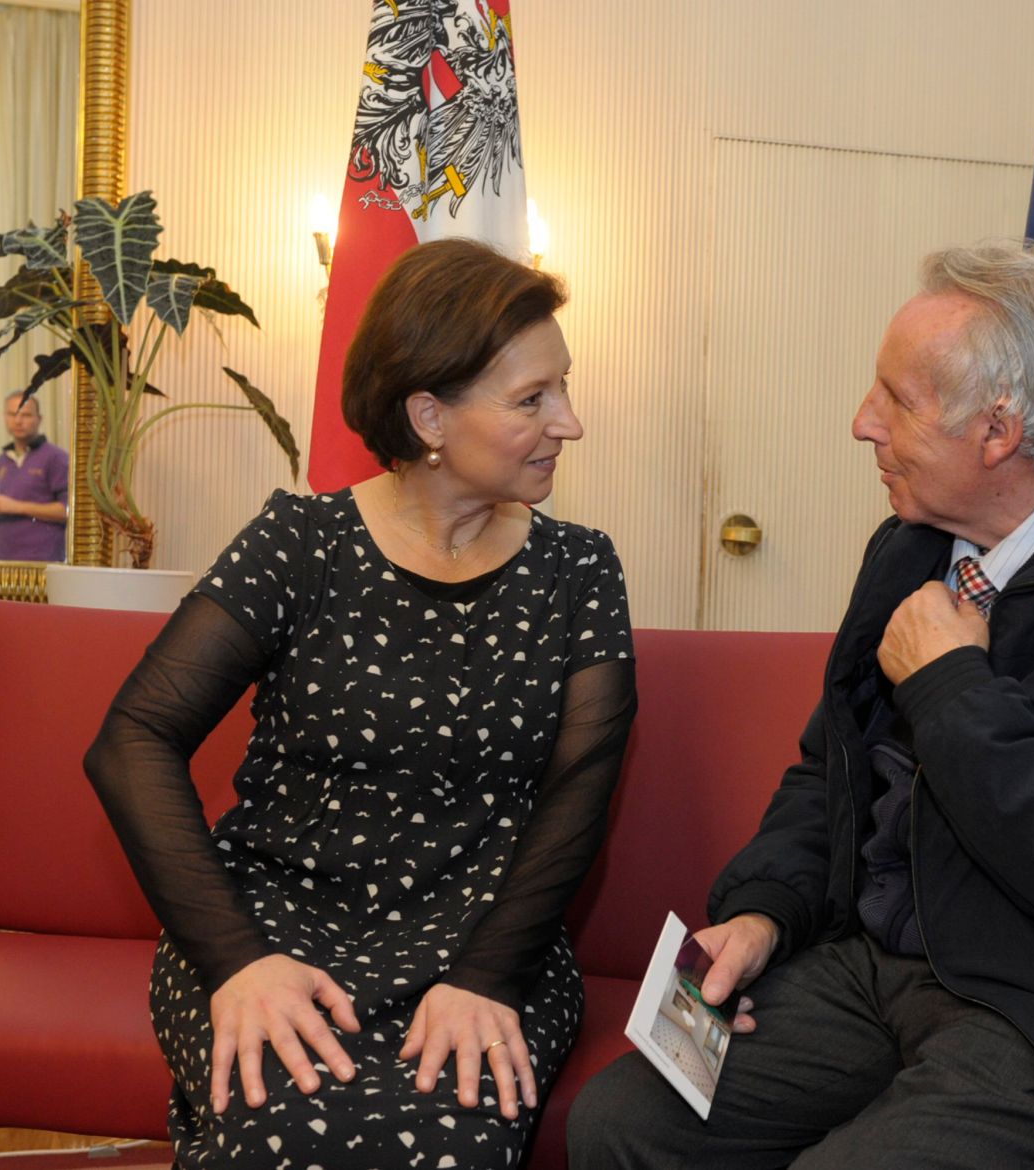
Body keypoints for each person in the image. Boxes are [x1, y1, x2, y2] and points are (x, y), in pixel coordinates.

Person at [569, 240, 1034, 1170]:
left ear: (999, 432)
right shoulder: (912, 546)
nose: (861, 423)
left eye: (897, 403)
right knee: (623, 1125)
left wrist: (953, 689)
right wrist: (765, 912)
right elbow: (831, 769)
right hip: (886, 966)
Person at [85, 238, 637, 1170]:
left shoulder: (578, 570)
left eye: (564, 389)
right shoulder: (301, 542)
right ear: (429, 413)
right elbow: (133, 738)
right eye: (533, 399)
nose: (569, 424)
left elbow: (580, 789)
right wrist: (238, 962)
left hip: (490, 943)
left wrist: (486, 979)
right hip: (272, 933)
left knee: (447, 1140)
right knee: (273, 1132)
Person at [0, 391, 69, 561]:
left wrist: (16, 506)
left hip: (43, 561)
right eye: (13, 414)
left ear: (39, 419)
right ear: (4, 417)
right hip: (4, 558)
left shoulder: (56, 457)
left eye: (26, 414)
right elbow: (9, 507)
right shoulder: (2, 460)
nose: (18, 420)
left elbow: (68, 511)